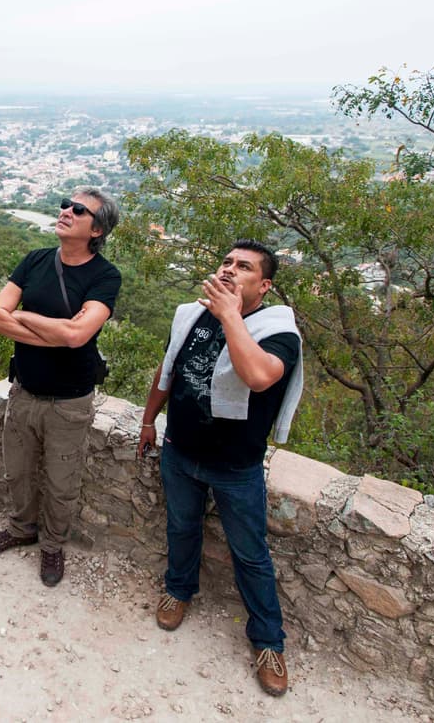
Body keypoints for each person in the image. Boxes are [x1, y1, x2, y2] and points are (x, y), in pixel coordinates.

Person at [135, 239, 304, 698]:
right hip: (180, 449)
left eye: (243, 267)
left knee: (251, 554)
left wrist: (230, 315)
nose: (229, 270)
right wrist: (150, 419)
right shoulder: (190, 314)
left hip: (236, 467)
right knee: (182, 527)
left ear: (264, 285)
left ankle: (269, 641)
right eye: (226, 262)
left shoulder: (278, 331)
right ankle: (179, 589)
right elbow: (167, 369)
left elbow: (260, 376)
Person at [0, 188, 121, 587]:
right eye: (64, 204)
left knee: (62, 482)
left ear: (96, 229)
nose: (65, 212)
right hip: (24, 390)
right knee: (19, 471)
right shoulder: (36, 260)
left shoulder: (105, 276)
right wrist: (59, 331)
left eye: (78, 210)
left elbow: (79, 336)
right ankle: (22, 527)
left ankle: (53, 546)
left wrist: (24, 317)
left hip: (69, 400)